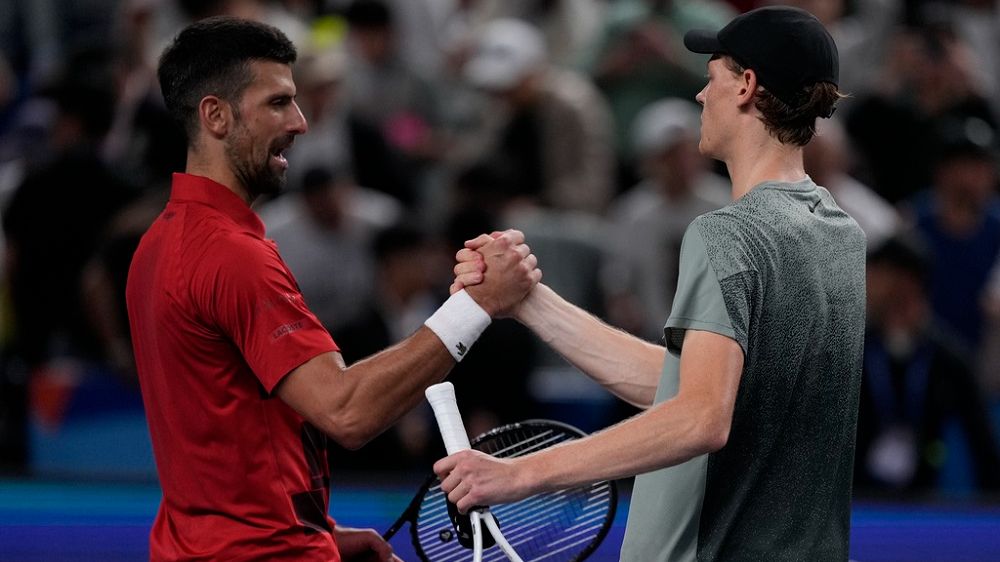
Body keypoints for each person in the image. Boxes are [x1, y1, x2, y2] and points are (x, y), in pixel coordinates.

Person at [437, 6, 867, 560]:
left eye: (711, 79)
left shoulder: (728, 234)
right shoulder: (841, 234)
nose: (700, 96)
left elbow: (700, 417)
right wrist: (529, 300)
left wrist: (517, 475)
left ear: (746, 87)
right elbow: (685, 387)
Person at [125, 16, 540, 561]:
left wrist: (323, 534)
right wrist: (476, 304)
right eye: (278, 103)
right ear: (215, 115)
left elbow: (216, 441)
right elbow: (347, 411)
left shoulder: (158, 245)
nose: (300, 122)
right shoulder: (230, 254)